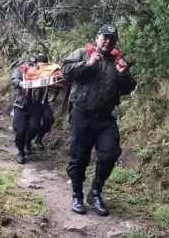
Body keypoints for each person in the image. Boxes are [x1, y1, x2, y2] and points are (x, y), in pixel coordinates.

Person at [61, 24, 136, 216]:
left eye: (112, 39)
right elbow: (66, 71)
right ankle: (77, 195)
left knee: (111, 153)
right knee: (79, 157)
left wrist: (123, 74)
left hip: (105, 118)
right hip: (81, 113)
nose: (108, 41)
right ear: (97, 37)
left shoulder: (117, 61)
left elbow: (128, 88)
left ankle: (95, 192)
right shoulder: (82, 53)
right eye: (105, 37)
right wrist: (87, 64)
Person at [11, 55, 43, 163]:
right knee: (20, 130)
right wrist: (21, 83)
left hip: (34, 106)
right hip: (21, 105)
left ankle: (28, 141)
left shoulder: (40, 73)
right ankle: (21, 152)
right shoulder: (19, 71)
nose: (32, 67)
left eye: (34, 65)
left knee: (35, 127)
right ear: (26, 64)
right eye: (30, 64)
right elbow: (15, 80)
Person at [32, 54, 56, 150]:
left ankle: (39, 138)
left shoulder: (49, 72)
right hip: (32, 103)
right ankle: (27, 143)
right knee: (33, 125)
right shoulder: (32, 71)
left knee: (49, 119)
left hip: (43, 102)